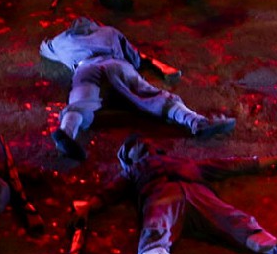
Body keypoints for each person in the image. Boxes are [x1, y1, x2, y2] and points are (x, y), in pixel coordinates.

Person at [72, 137, 277, 254]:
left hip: (197, 194)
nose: (144, 145)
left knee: (234, 219)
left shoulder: (185, 163)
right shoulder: (135, 171)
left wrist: (273, 160)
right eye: (136, 146)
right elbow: (111, 191)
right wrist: (89, 207)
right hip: (162, 194)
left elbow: (227, 165)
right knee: (157, 225)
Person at [41, 18, 235, 162]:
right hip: (115, 64)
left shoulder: (60, 41)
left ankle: (66, 133)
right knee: (154, 96)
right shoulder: (108, 31)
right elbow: (134, 58)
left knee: (79, 104)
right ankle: (196, 122)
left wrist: (56, 46)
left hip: (85, 67)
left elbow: (44, 48)